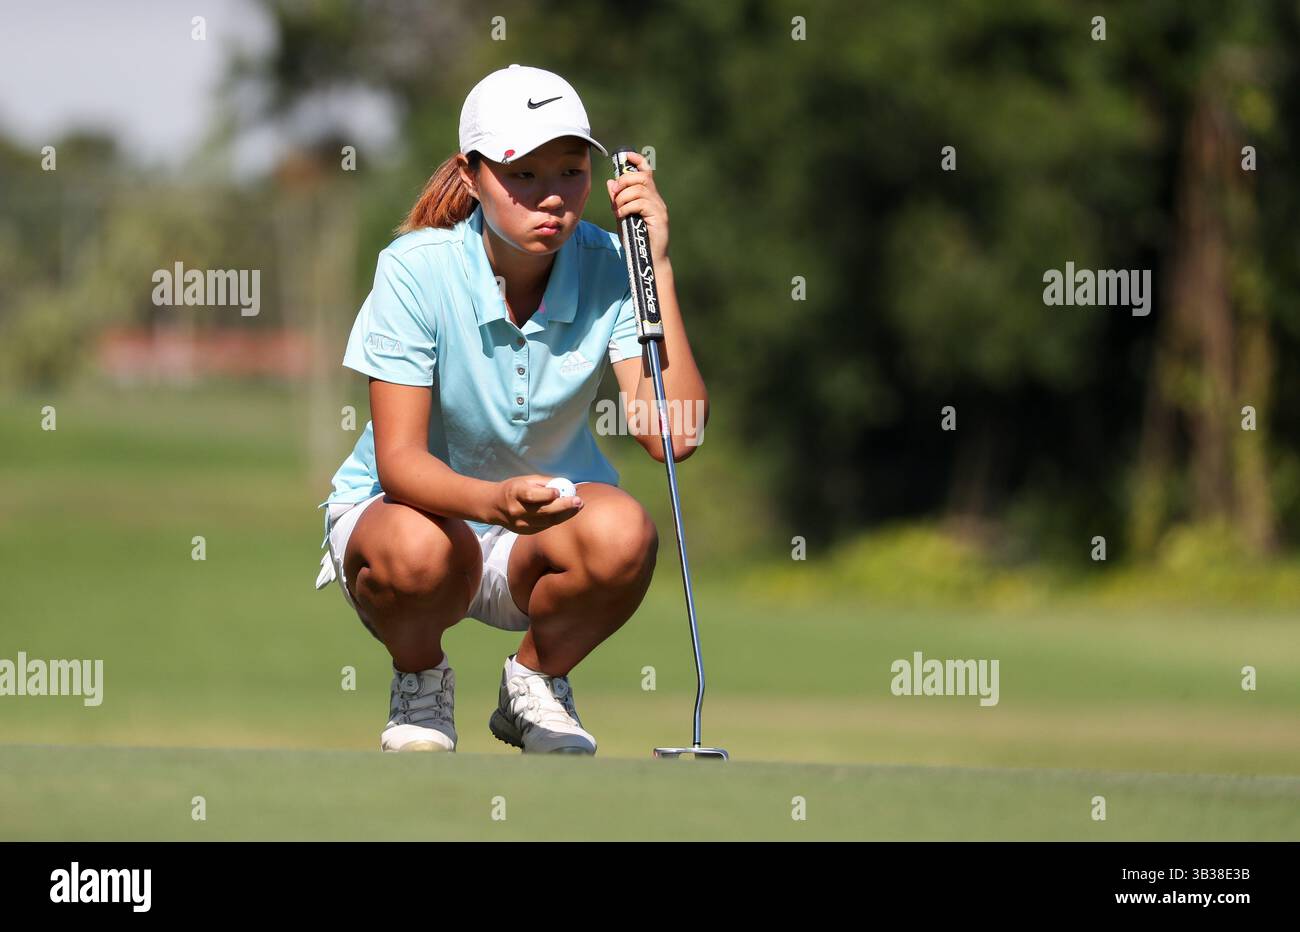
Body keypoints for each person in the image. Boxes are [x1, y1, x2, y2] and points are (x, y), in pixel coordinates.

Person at [312, 64, 708, 755]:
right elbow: (400, 464)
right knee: (419, 549)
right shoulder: (415, 267)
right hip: (408, 525)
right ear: (472, 176)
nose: (552, 197)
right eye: (522, 175)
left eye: (570, 171)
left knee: (624, 534)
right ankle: (420, 682)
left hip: (541, 531)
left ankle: (535, 683)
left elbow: (674, 436)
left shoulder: (612, 263)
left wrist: (658, 267)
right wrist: (494, 502)